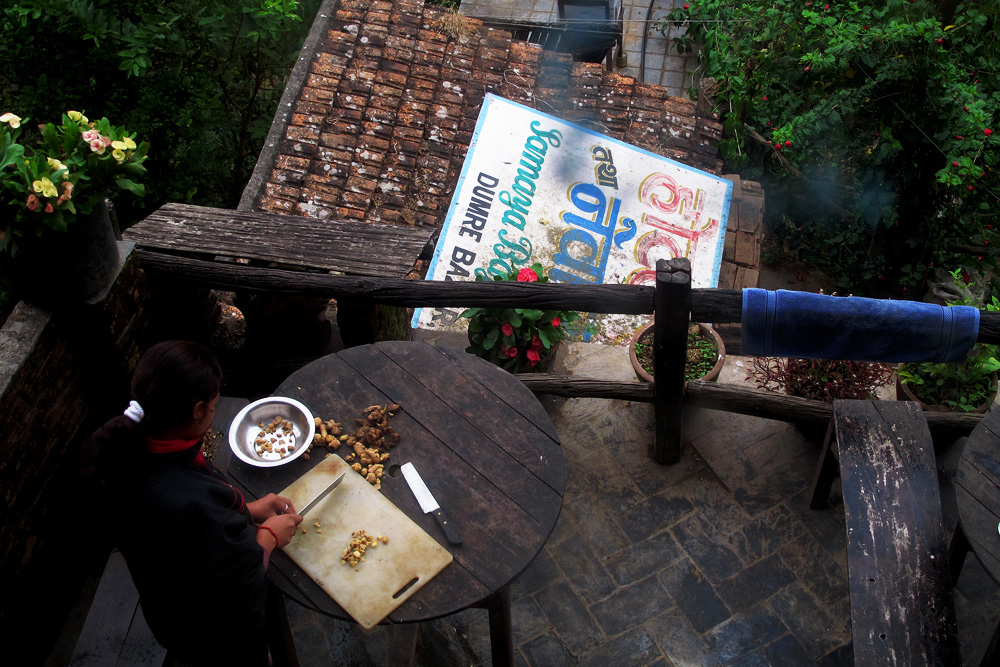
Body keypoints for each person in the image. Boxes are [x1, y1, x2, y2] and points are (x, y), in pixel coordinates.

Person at [90, 340, 303, 666]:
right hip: (205, 628)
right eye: (214, 406)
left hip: (166, 600)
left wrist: (247, 509)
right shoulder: (183, 504)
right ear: (197, 410)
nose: (214, 413)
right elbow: (235, 584)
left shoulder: (133, 445)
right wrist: (268, 537)